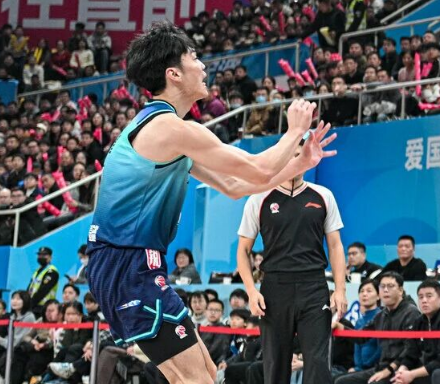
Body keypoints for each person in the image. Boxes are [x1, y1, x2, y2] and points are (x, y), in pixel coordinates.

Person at [86, 23, 337, 383]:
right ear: (173, 74)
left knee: (204, 372)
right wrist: (295, 131)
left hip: (132, 263)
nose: (203, 66)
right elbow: (259, 167)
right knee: (195, 379)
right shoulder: (169, 128)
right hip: (127, 264)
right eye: (194, 58)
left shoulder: (168, 131)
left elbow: (238, 186)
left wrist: (298, 164)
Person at [235, 137, 347, 384]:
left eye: (300, 155)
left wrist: (340, 289)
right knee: (275, 365)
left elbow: (335, 245)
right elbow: (243, 250)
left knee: (317, 363)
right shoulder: (259, 198)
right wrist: (251, 292)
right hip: (274, 290)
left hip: (314, 287)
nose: (296, 161)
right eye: (290, 156)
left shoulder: (323, 196)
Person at [395, 280, 440, 384]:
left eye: (429, 296)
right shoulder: (419, 322)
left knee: (438, 374)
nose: (424, 300)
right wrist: (402, 370)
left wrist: (412, 374)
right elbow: (412, 352)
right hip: (435, 365)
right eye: (420, 297)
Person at [28, 246, 59, 317]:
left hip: (44, 307)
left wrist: (30, 304)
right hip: (33, 306)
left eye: (44, 255)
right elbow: (30, 287)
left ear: (50, 257)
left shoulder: (52, 271)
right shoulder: (37, 271)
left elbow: (43, 290)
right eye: (39, 255)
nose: (41, 257)